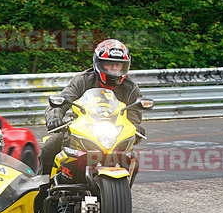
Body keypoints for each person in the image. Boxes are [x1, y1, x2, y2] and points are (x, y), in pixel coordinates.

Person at [38, 38, 145, 176]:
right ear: (99, 64)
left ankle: (121, 190)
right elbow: (63, 99)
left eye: (118, 65)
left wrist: (136, 128)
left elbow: (134, 118)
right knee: (49, 146)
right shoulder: (83, 80)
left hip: (115, 134)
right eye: (109, 64)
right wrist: (55, 117)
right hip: (82, 129)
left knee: (131, 159)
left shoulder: (130, 88)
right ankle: (42, 188)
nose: (114, 68)